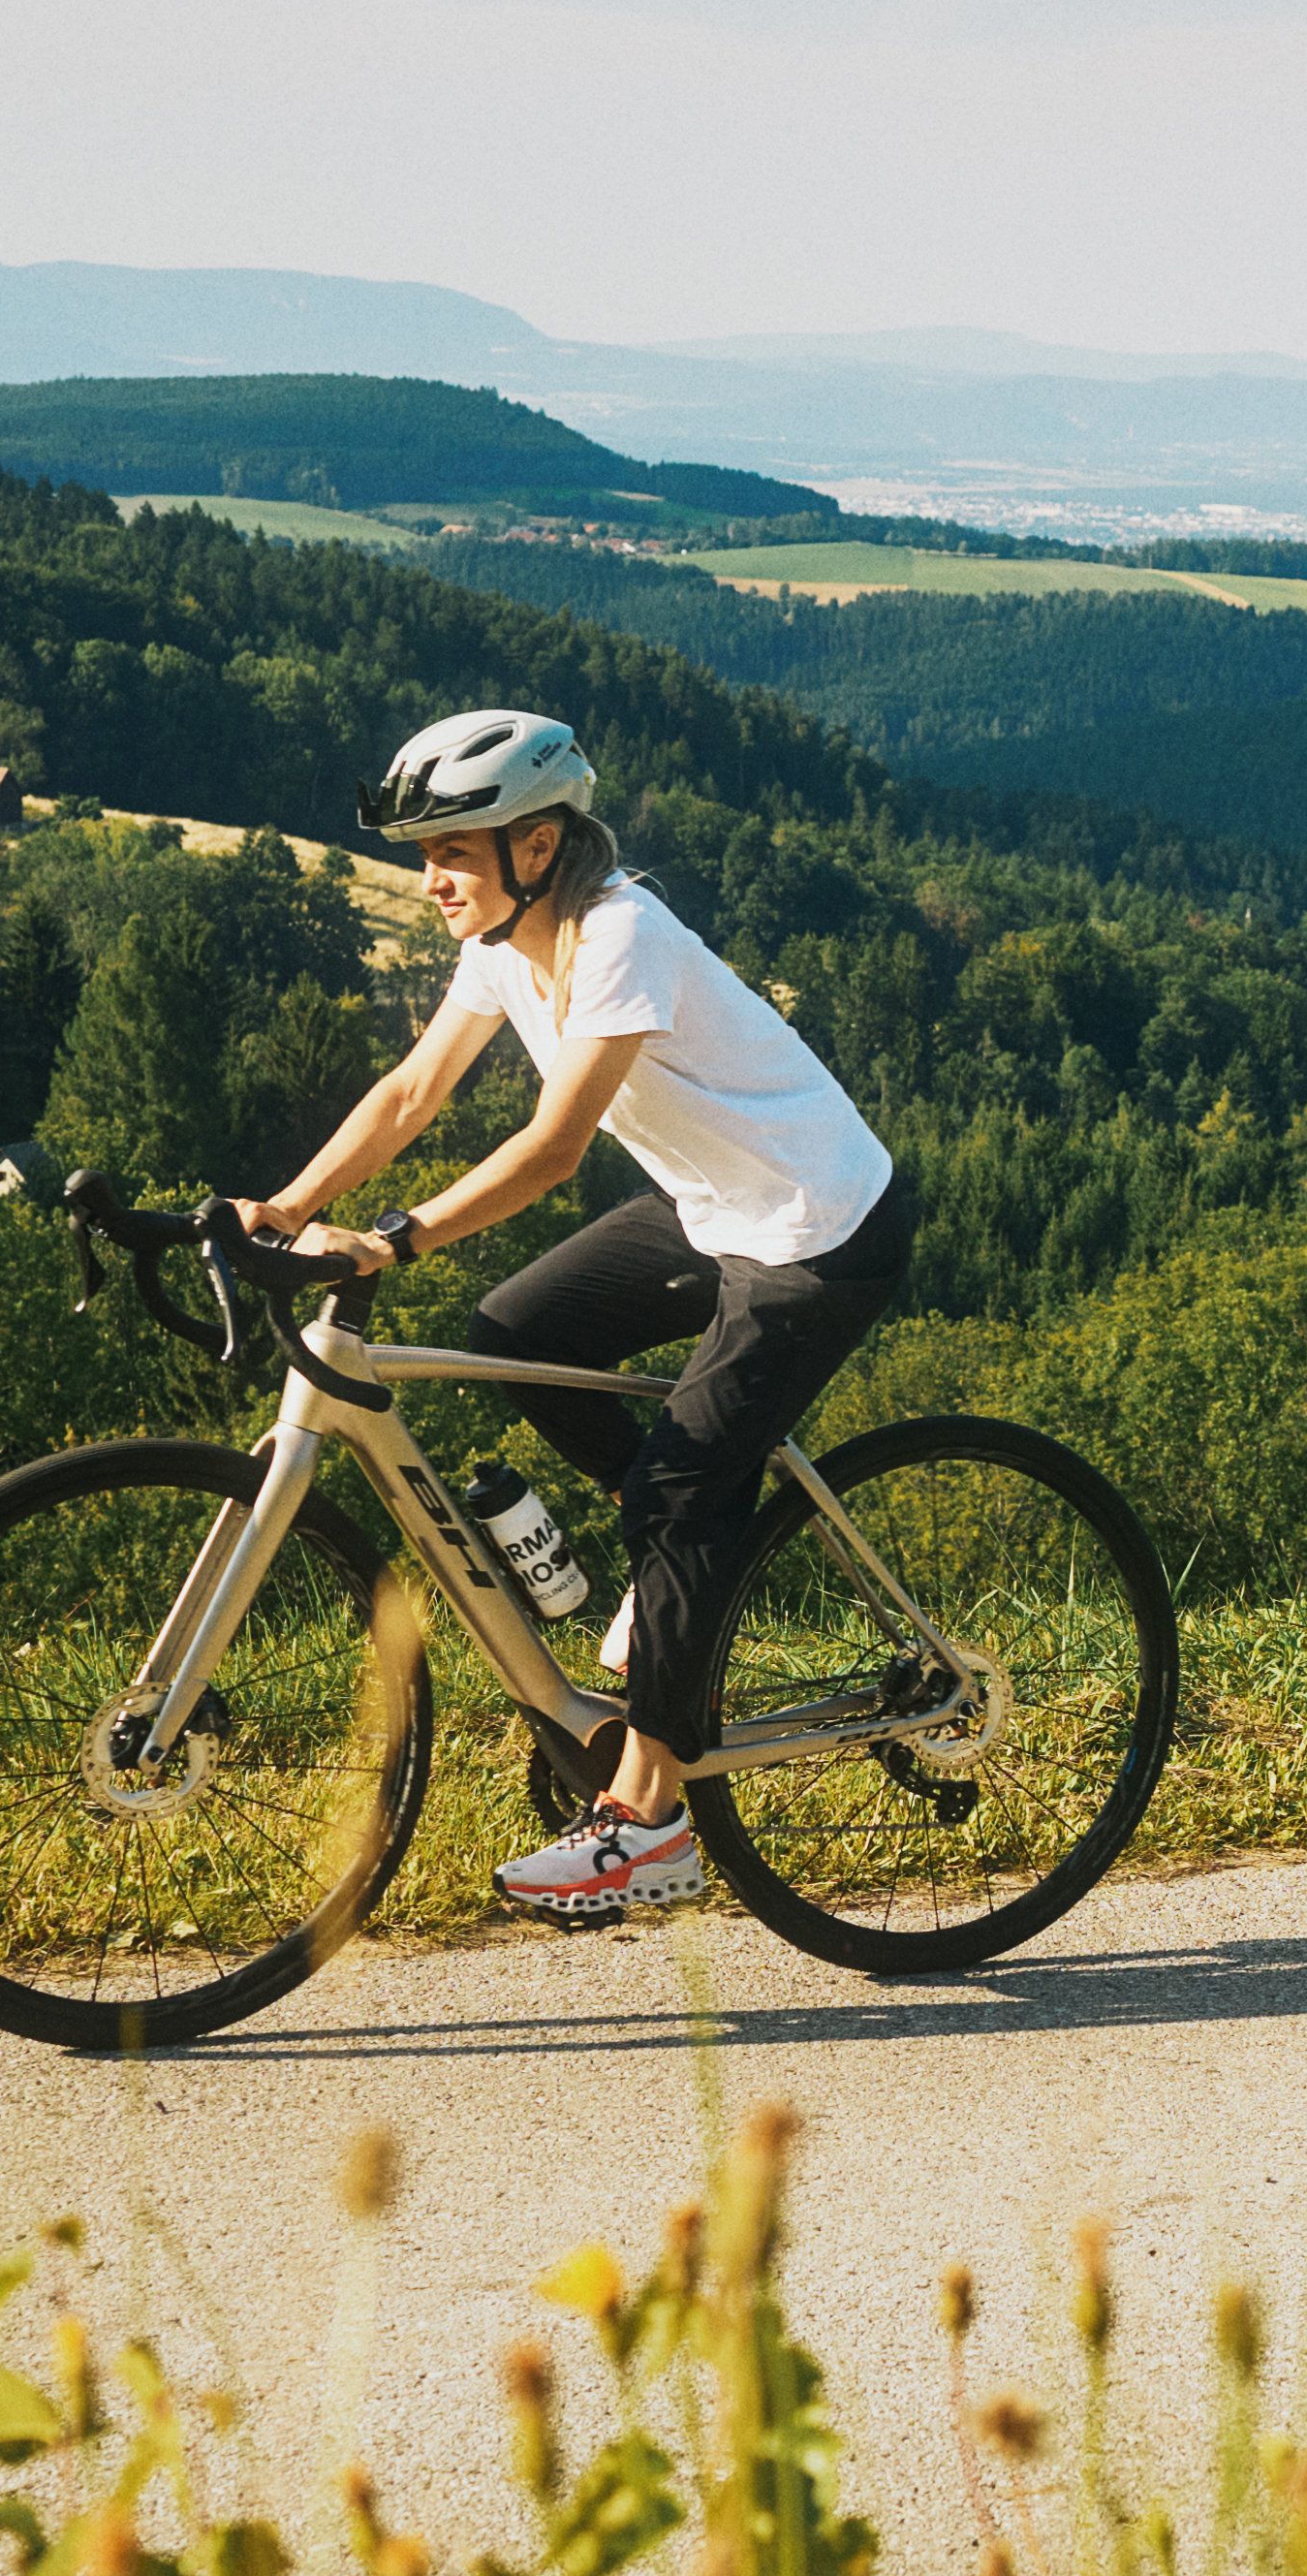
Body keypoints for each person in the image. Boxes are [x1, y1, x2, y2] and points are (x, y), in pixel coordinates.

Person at [236, 708, 918, 1923]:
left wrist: (391, 1236)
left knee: (679, 1492)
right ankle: (679, 1571)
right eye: (425, 853)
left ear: (538, 845)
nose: (431, 878)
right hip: (713, 1208)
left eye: (454, 851)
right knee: (514, 1339)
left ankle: (648, 1824)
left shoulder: (620, 933)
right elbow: (410, 1091)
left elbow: (551, 1149)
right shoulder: (505, 941)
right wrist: (283, 1208)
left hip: (819, 1230)